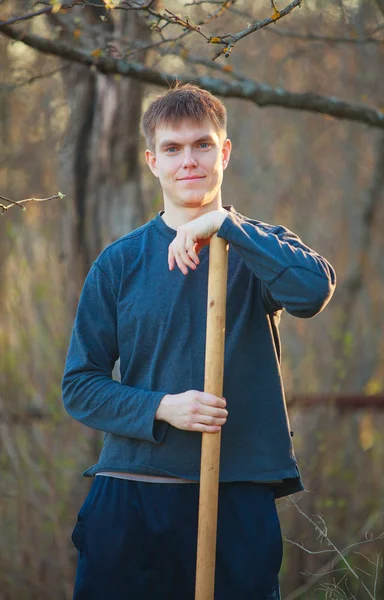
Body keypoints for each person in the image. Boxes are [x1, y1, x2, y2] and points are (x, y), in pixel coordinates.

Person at [62, 83, 336, 600]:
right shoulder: (121, 262)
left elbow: (313, 290)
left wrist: (228, 227)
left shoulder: (260, 248)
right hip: (133, 493)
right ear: (152, 161)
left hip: (235, 493)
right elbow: (80, 386)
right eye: (173, 148)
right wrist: (163, 406)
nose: (189, 160)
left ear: (225, 152)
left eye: (202, 145)